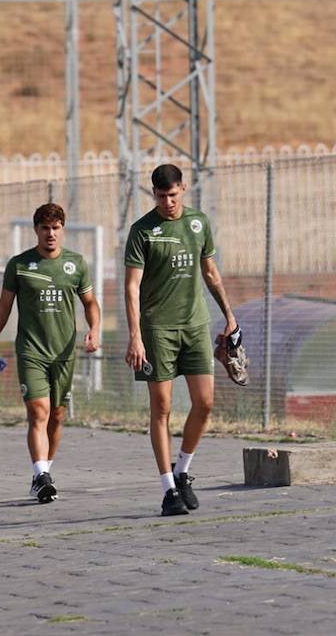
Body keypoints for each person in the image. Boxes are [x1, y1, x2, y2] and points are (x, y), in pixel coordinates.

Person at [124, 163, 243, 516]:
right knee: (161, 407)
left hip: (195, 326)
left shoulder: (197, 223)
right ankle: (167, 489)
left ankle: (183, 471)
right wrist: (135, 336)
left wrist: (230, 316)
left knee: (204, 403)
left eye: (172, 195)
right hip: (157, 329)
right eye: (161, 196)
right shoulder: (142, 230)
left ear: (183, 189)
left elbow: (211, 273)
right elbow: (132, 287)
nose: (167, 202)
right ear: (154, 194)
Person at [0, 203, 102, 503]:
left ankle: (44, 472)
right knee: (39, 412)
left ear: (63, 229)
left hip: (63, 353)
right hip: (31, 350)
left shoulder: (76, 264)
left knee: (57, 417)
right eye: (45, 228)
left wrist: (94, 329)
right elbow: (3, 307)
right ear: (36, 230)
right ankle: (40, 475)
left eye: (56, 227)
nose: (51, 233)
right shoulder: (20, 265)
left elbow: (90, 303)